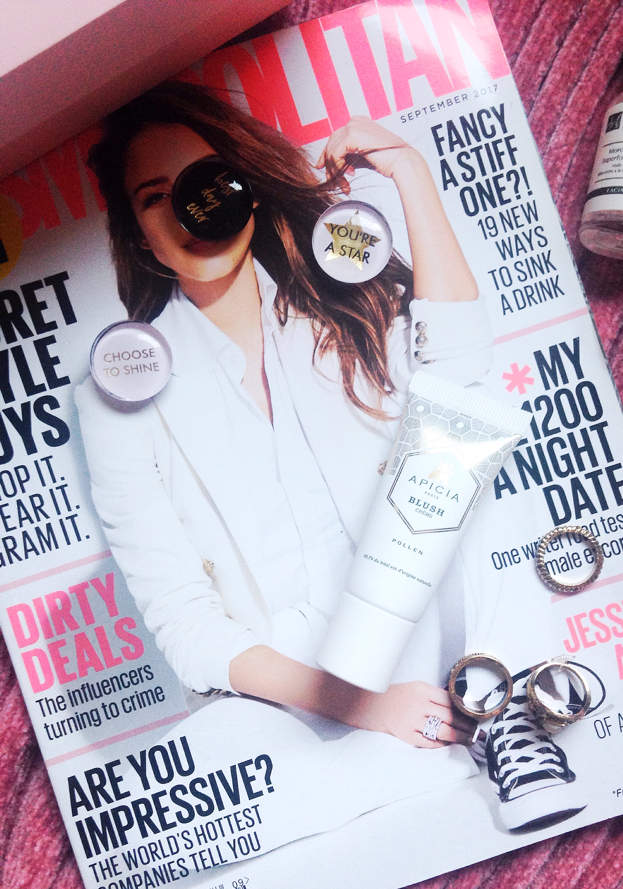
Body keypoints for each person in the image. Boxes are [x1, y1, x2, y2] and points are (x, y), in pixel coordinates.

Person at [75, 80, 494, 749]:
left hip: (440, 633)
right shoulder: (117, 395)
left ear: (248, 189)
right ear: (141, 238)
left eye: (205, 181)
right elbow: (186, 626)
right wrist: (363, 707)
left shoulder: (342, 302)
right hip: (286, 706)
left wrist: (412, 174)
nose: (190, 210)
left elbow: (462, 385)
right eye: (155, 198)